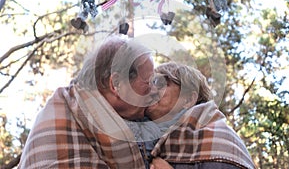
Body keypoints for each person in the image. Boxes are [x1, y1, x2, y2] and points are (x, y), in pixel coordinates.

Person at [18, 35, 160, 168]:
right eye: (148, 83)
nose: (155, 91)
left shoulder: (90, 113)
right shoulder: (62, 119)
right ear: (116, 84)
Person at [144, 62, 256, 169]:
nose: (151, 91)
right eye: (150, 84)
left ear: (188, 100)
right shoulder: (148, 141)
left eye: (160, 83)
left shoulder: (218, 139)